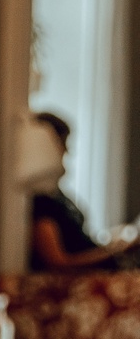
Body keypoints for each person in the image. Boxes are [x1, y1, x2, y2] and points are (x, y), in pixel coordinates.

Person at [28, 112, 140, 271]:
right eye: (62, 143)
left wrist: (115, 242)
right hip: (81, 280)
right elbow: (57, 263)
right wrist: (113, 251)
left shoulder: (55, 193)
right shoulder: (41, 203)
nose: (67, 151)